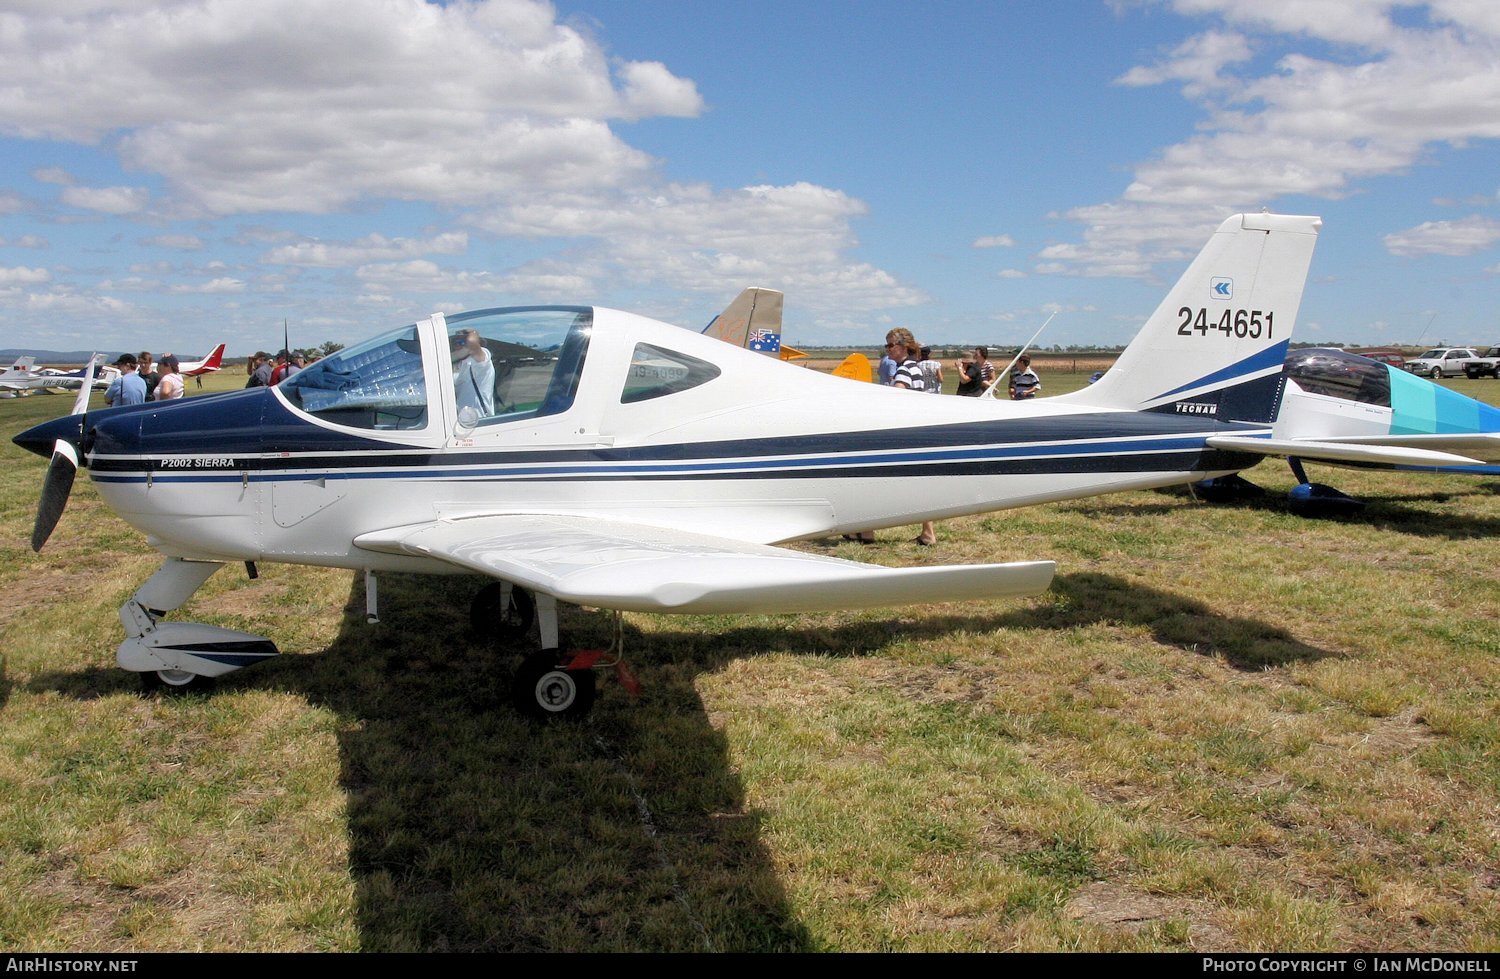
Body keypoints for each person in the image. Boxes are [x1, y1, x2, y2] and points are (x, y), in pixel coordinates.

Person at [887, 328, 938, 546]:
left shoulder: (903, 371)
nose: (887, 349)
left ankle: (866, 529)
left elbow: (897, 398)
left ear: (901, 347)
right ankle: (927, 532)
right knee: (918, 484)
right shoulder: (914, 367)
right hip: (916, 431)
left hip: (904, 433)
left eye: (889, 345)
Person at [451, 328, 495, 417]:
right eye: (456, 343)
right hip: (463, 420)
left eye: (462, 342)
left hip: (480, 418)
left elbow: (472, 342)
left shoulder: (481, 362)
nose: (458, 346)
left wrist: (471, 331)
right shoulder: (459, 364)